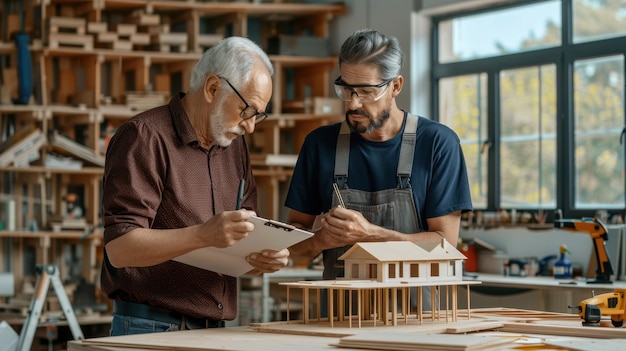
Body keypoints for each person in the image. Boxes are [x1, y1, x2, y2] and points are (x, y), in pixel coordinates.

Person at [101, 36, 290, 336]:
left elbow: (240, 244)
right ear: (213, 88)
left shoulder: (234, 147)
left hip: (214, 330)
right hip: (150, 327)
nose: (250, 126)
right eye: (248, 110)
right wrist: (204, 235)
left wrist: (260, 258)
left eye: (259, 115)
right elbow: (120, 249)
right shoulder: (145, 137)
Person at [285, 29, 473, 309]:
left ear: (396, 86)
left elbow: (445, 248)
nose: (353, 103)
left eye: (366, 91)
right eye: (346, 89)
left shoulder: (437, 144)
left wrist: (370, 234)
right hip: (337, 322)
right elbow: (292, 251)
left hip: (417, 322)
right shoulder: (319, 145)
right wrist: (319, 240)